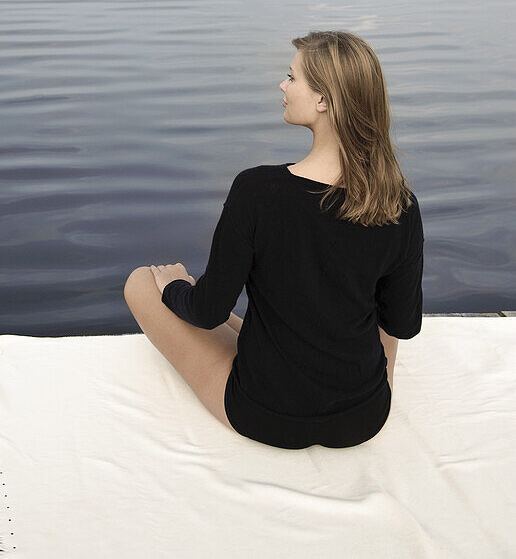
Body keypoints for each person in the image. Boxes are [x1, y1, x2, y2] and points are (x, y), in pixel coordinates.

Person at [123, 30, 424, 449]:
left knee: (141, 282)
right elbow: (401, 324)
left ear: (323, 100)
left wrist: (172, 288)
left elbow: (209, 312)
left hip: (265, 414)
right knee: (372, 306)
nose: (283, 86)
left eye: (292, 77)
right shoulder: (399, 204)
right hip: (362, 417)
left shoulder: (257, 191)